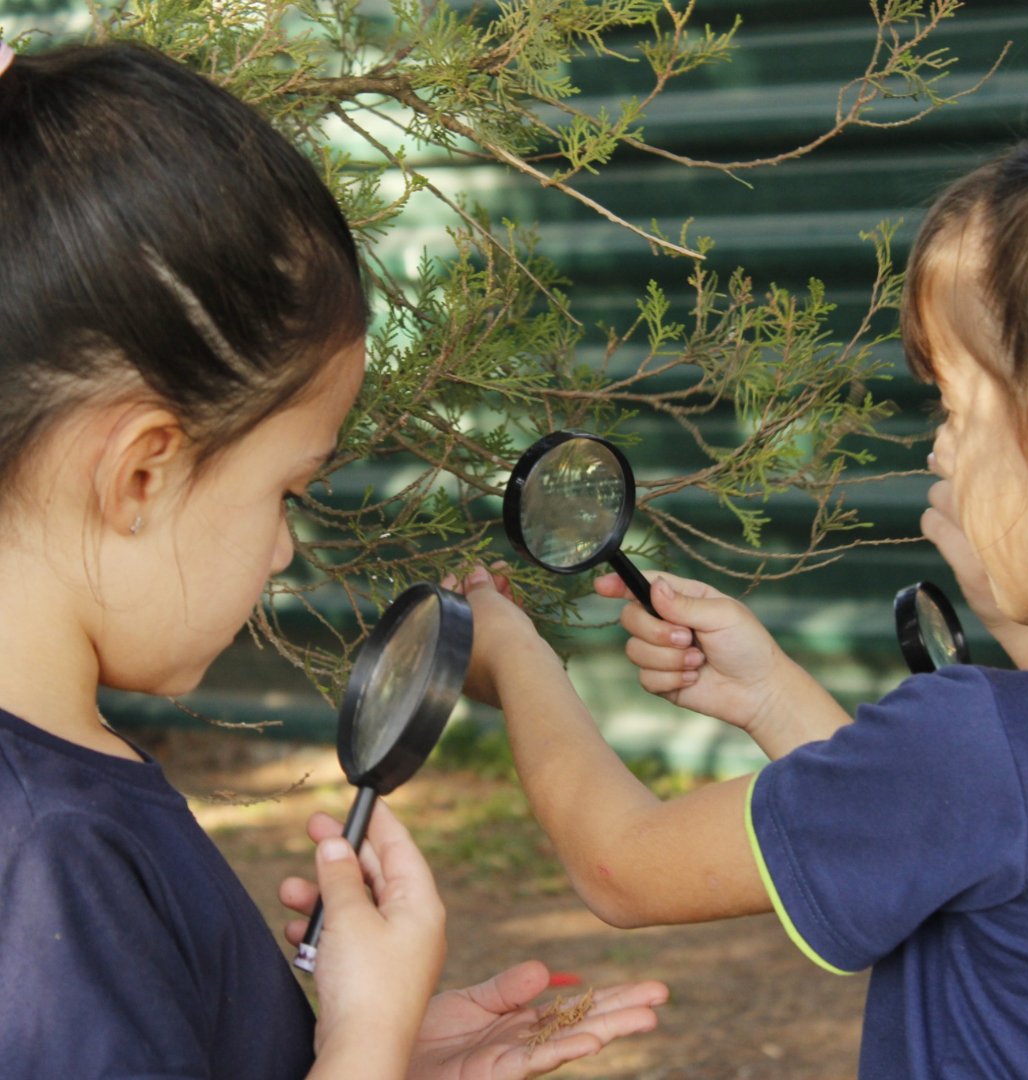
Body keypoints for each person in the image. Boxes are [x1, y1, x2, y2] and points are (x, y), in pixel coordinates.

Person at [0, 39, 668, 1080]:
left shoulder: (66, 792)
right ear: (140, 474)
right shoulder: (51, 862)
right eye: (287, 493)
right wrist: (358, 1041)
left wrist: (366, 1048)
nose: (281, 552)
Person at [457, 50, 1028, 1078]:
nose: (934, 452)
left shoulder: (981, 752)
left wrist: (513, 656)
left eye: (956, 412)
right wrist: (770, 697)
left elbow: (625, 867)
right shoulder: (995, 768)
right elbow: (942, 833)